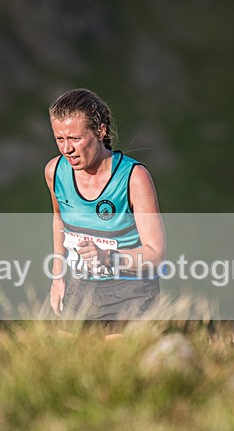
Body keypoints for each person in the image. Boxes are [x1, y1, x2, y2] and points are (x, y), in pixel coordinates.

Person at [44, 88, 165, 322]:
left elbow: (156, 254)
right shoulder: (54, 171)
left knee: (113, 358)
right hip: (79, 286)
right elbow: (59, 221)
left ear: (100, 131)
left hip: (131, 291)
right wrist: (57, 277)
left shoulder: (134, 177)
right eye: (60, 139)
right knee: (65, 358)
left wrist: (109, 257)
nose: (67, 149)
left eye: (75, 139)